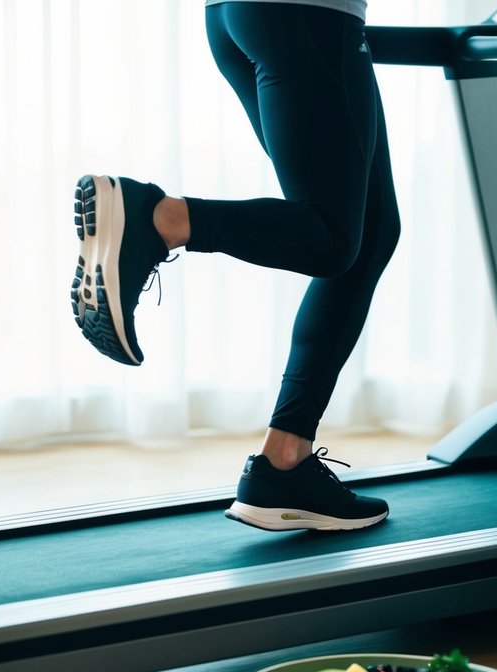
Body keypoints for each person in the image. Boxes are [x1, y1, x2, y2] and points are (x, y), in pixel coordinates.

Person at [69, 0, 398, 532]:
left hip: (244, 16)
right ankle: (156, 218)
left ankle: (284, 461)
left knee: (371, 234)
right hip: (308, 15)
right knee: (335, 238)